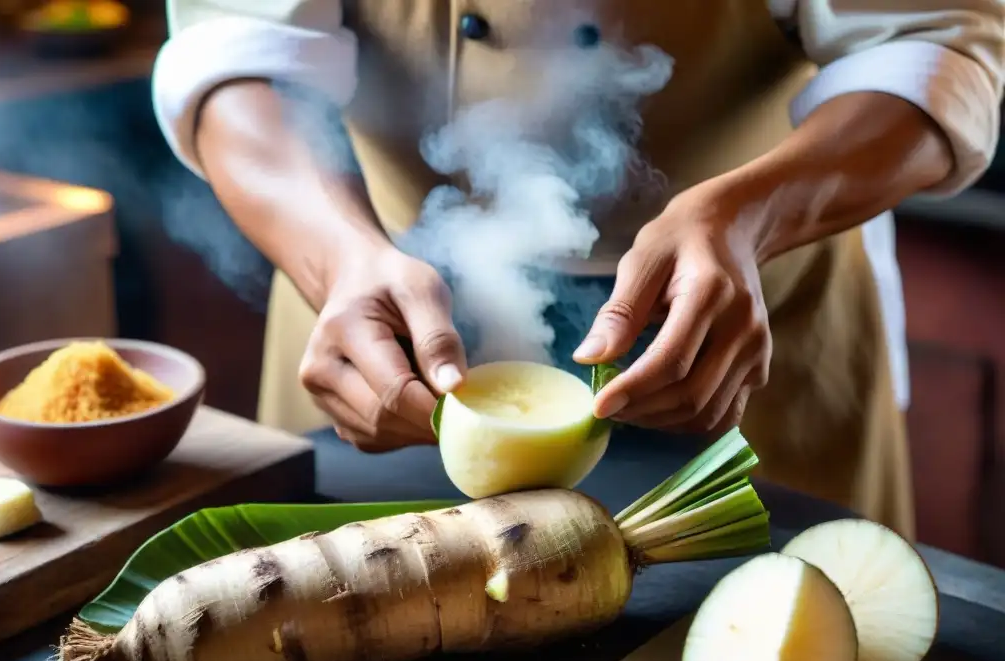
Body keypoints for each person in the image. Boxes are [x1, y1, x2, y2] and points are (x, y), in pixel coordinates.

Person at [152, 1, 1004, 540]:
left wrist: (749, 214)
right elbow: (237, 55)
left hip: (744, 323)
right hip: (378, 314)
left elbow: (932, 42)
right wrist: (339, 258)